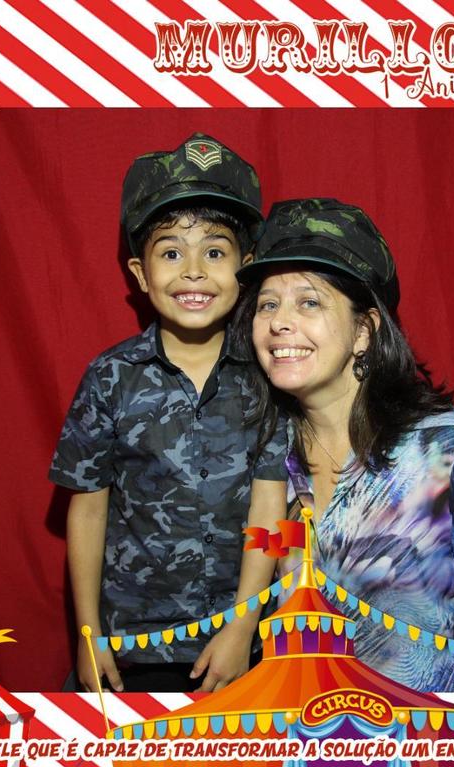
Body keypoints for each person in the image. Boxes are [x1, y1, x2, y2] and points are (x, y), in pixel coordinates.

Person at [231, 198, 454, 692]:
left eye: (309, 302)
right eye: (268, 304)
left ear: (364, 331)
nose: (279, 322)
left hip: (444, 738)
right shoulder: (268, 457)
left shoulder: (452, 455)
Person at [49, 133, 288, 693]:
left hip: (246, 641)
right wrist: (87, 634)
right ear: (140, 273)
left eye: (215, 252)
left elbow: (272, 510)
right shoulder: (110, 377)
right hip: (135, 645)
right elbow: (88, 511)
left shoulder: (271, 375)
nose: (194, 272)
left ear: (246, 266)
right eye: (172, 252)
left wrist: (244, 623)